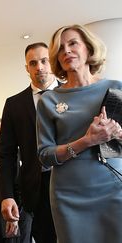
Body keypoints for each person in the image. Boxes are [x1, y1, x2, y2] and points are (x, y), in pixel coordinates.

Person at [36, 24, 122, 243]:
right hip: (68, 195)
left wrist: (117, 133)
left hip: (112, 189)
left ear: (88, 49)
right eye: (60, 48)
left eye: (73, 43)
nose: (66, 51)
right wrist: (88, 140)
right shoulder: (49, 100)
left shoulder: (116, 88)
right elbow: (45, 155)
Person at [0, 42, 58, 243]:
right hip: (37, 189)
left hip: (74, 183)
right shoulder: (14, 104)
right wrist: (6, 195)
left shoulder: (72, 93)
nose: (39, 67)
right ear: (27, 68)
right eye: (33, 63)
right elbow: (6, 155)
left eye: (44, 61)